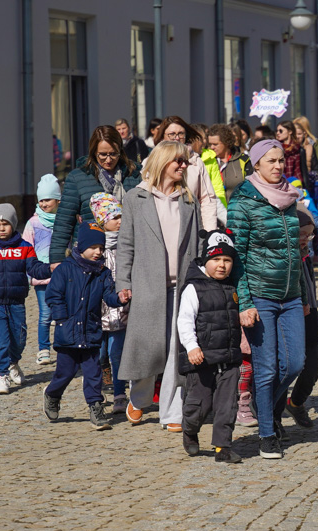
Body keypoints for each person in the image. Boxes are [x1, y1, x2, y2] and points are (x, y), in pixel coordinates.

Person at [225, 139, 307, 460]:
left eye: (281, 160)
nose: (277, 166)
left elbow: (296, 251)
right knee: (266, 367)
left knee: (295, 363)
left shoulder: (289, 198)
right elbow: (237, 258)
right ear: (256, 165)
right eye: (270, 161)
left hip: (290, 294)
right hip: (259, 294)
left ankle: (265, 404)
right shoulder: (242, 202)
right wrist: (243, 302)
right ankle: (267, 434)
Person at [115, 141, 202, 432]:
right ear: (163, 161)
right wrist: (123, 281)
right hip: (148, 284)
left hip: (183, 285)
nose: (183, 166)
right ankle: (139, 399)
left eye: (185, 161)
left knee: (176, 348)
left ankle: (172, 412)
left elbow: (198, 243)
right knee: (149, 347)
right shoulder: (135, 198)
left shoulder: (189, 200)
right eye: (178, 160)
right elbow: (125, 244)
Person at [42, 223, 128, 430]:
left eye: (101, 248)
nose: (98, 252)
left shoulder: (103, 273)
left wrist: (120, 298)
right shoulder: (65, 269)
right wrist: (62, 318)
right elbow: (53, 295)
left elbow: (108, 296)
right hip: (68, 331)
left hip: (91, 331)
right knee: (66, 373)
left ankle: (96, 408)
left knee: (93, 374)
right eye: (93, 248)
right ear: (81, 247)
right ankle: (52, 394)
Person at [0, 204, 51, 394]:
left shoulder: (25, 248)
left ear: (13, 224)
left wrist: (50, 268)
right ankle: (2, 375)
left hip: (16, 301)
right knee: (1, 341)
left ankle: (13, 363)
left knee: (19, 339)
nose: (1, 228)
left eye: (5, 224)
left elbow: (34, 268)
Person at [177, 229, 243, 463]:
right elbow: (184, 320)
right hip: (201, 359)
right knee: (199, 406)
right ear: (206, 260)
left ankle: (222, 447)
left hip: (229, 358)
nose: (222, 265)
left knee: (227, 405)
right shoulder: (194, 288)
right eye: (216, 260)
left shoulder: (235, 288)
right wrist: (192, 347)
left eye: (227, 260)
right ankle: (190, 430)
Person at [50, 126, 142, 264]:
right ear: (94, 152)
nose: (109, 159)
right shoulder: (78, 177)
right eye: (103, 154)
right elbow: (64, 221)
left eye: (113, 154)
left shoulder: (133, 176)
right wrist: (56, 259)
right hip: (89, 255)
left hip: (128, 253)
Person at [278, 206, 318, 429]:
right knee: (286, 366)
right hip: (288, 313)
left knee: (313, 365)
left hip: (309, 313)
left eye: (310, 234)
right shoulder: (284, 255)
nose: (306, 239)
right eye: (302, 234)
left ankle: (295, 403)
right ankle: (273, 419)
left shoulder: (305, 255)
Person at [89, 192, 129, 414]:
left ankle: (120, 393)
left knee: (117, 353)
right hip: (98, 312)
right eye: (115, 217)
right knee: (100, 354)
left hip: (120, 309)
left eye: (122, 216)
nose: (120, 221)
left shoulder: (126, 244)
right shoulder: (95, 249)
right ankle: (98, 389)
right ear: (102, 221)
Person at [152, 116, 223, 230]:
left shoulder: (196, 162)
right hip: (161, 226)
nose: (177, 138)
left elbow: (207, 199)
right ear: (162, 137)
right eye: (172, 134)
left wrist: (209, 231)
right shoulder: (151, 162)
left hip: (192, 226)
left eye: (181, 134)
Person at [22, 175, 60, 364]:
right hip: (41, 277)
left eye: (48, 199)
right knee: (45, 315)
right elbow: (27, 249)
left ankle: (63, 347)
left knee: (63, 313)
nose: (44, 204)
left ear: (58, 200)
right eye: (41, 200)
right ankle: (43, 348)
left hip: (62, 276)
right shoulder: (33, 223)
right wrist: (29, 273)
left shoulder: (64, 220)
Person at [208, 123, 251, 206]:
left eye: (215, 144)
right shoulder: (207, 161)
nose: (212, 147)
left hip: (239, 212)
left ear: (226, 142)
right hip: (215, 213)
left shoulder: (243, 160)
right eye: (210, 144)